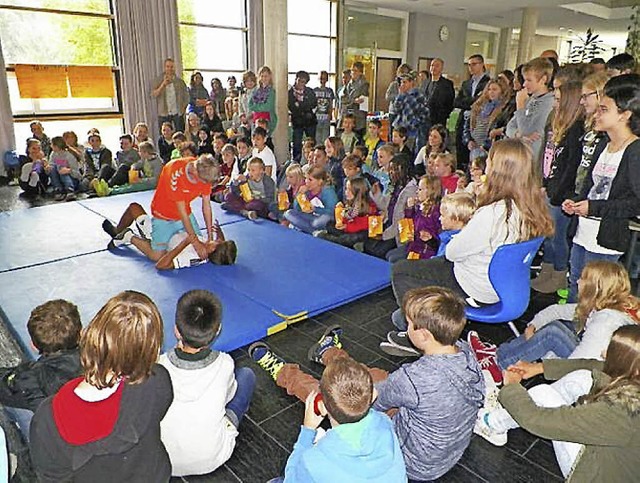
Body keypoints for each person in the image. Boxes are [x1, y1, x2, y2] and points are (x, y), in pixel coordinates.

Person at [385, 139, 554, 355]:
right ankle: (416, 315)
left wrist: (460, 234)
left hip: (473, 286)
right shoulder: (532, 208)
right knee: (430, 266)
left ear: (499, 170)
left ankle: (419, 332)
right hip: (504, 286)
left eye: (490, 162)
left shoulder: (493, 212)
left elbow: (453, 253)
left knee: (401, 270)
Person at [30, 291, 173, 482]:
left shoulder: (49, 417)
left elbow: (51, 476)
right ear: (151, 346)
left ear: (89, 335)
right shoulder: (157, 380)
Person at [478, 324, 640, 481]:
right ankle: (508, 411)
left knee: (543, 394)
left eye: (610, 351)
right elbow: (592, 365)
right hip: (614, 456)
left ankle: (490, 424)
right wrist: (539, 367)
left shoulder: (620, 412)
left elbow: (535, 419)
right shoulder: (633, 377)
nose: (603, 353)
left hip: (597, 474)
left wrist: (512, 387)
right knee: (584, 376)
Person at [249, 339, 406, 483]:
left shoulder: (313, 460)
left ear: (321, 406)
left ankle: (282, 371)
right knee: (359, 378)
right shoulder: (384, 423)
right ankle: (326, 351)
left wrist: (307, 431)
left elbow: (291, 478)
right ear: (373, 396)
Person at [470, 260, 639, 383]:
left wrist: (545, 359)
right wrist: (534, 325)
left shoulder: (604, 323)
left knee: (552, 334)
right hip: (599, 365)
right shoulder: (610, 303)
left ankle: (497, 367)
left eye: (583, 279)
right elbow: (557, 310)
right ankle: (497, 355)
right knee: (553, 329)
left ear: (595, 288)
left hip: (596, 374)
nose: (578, 282)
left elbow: (579, 363)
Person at [159, 290, 255, 477]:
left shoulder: (160, 364)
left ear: (176, 331)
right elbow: (229, 395)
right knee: (247, 375)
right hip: (213, 458)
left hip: (163, 459)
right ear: (218, 330)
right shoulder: (225, 363)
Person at [562, 74, 640, 302]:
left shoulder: (634, 151)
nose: (596, 113)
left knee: (593, 297)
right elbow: (591, 186)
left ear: (625, 115)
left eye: (604, 109)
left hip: (605, 239)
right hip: (582, 232)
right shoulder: (603, 145)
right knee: (576, 286)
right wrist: (576, 201)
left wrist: (593, 207)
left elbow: (635, 203)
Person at [102, 154, 218, 264]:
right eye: (202, 182)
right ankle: (129, 236)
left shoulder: (206, 171)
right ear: (194, 171)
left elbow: (206, 206)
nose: (204, 185)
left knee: (201, 245)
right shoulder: (175, 173)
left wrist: (210, 237)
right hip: (164, 215)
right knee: (157, 256)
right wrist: (195, 242)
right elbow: (181, 213)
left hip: (186, 214)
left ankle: (143, 228)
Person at [0, 300, 82, 442]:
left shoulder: (33, 377)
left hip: (61, 443)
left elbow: (5, 389)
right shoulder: (100, 357)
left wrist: (11, 376)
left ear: (33, 345)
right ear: (81, 333)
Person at [533, 81, 585, 294]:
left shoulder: (575, 129)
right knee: (547, 235)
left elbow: (571, 166)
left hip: (560, 194)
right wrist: (543, 183)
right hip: (548, 187)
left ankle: (559, 274)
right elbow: (546, 157)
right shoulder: (554, 123)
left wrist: (555, 192)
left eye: (557, 99)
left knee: (558, 236)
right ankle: (546, 271)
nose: (554, 103)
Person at [104, 203, 236, 270]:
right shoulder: (209, 247)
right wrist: (220, 234)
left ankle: (128, 236)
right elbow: (222, 252)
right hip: (171, 227)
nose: (217, 239)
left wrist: (184, 243)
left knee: (134, 208)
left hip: (158, 239)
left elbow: (161, 265)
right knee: (135, 208)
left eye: (218, 242)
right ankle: (117, 231)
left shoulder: (193, 256)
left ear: (213, 250)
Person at [505, 57, 555, 171]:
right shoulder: (529, 100)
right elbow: (510, 127)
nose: (524, 85)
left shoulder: (549, 103)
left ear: (543, 79)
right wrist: (519, 135)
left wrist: (520, 106)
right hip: (521, 157)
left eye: (529, 80)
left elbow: (527, 130)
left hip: (535, 162)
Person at [366, 156, 418, 260]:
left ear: (404, 170)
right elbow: (386, 206)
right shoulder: (396, 186)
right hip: (389, 224)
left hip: (398, 234)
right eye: (390, 170)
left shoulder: (411, 191)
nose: (391, 173)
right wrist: (376, 194)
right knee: (367, 244)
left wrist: (383, 235)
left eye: (394, 170)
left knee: (378, 252)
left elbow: (400, 221)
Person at [390, 174, 442, 263]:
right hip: (413, 246)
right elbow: (409, 228)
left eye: (420, 189)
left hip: (425, 251)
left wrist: (430, 238)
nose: (417, 192)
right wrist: (409, 210)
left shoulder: (435, 212)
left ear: (431, 191)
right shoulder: (420, 208)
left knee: (394, 259)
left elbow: (436, 237)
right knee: (390, 255)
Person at [317, 177, 377, 249]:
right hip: (350, 227)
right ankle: (345, 242)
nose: (346, 192)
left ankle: (334, 239)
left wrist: (346, 226)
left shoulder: (367, 207)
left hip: (362, 232)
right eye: (346, 189)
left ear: (357, 191)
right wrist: (340, 211)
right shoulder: (352, 202)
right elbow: (347, 217)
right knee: (330, 224)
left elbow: (362, 226)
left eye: (349, 190)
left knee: (348, 238)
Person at [454, 54, 490, 170]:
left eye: (474, 64)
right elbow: (457, 102)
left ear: (482, 64)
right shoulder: (466, 83)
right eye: (469, 65)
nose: (471, 67)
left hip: (478, 123)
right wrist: (473, 102)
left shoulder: (488, 83)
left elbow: (483, 101)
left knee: (476, 158)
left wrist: (471, 102)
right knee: (461, 151)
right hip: (464, 120)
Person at [463, 77, 512, 157]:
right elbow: (467, 126)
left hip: (490, 150)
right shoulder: (479, 105)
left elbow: (500, 129)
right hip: (474, 148)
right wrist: (468, 140)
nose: (491, 92)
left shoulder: (504, 109)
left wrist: (485, 145)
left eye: (494, 89)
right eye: (489, 89)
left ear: (502, 91)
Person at [283, 166, 338, 234]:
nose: (306, 182)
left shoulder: (328, 191)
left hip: (325, 217)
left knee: (316, 223)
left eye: (310, 179)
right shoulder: (307, 190)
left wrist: (315, 209)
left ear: (319, 181)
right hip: (311, 217)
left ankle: (302, 227)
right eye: (306, 178)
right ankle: (314, 232)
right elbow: (297, 209)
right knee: (288, 213)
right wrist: (299, 194)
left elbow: (332, 211)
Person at [392, 71, 429, 151]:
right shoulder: (401, 95)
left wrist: (415, 123)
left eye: (405, 82)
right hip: (401, 128)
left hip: (412, 130)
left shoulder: (419, 94)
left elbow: (425, 112)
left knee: (410, 151)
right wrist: (400, 96)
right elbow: (396, 110)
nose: (402, 85)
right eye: (401, 83)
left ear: (411, 82)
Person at [152, 57, 188, 133]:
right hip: (163, 113)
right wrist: (163, 85)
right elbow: (153, 95)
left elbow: (186, 96)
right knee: (164, 135)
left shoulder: (180, 82)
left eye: (172, 67)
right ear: (164, 67)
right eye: (168, 66)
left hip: (177, 113)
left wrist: (183, 108)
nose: (170, 69)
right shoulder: (158, 80)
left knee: (180, 134)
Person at [288, 70, 317, 163]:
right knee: (296, 143)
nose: (301, 83)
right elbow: (291, 107)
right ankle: (296, 162)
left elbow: (313, 104)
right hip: (297, 122)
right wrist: (303, 108)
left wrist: (300, 106)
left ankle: (312, 160)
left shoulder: (310, 91)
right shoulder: (290, 93)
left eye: (304, 82)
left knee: (311, 142)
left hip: (310, 121)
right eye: (300, 80)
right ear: (296, 79)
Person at [436, 192, 476, 257]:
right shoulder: (447, 236)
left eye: (443, 215)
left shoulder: (457, 243)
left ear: (455, 218)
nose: (439, 218)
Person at [423, 58, 455, 127]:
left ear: (441, 68)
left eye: (437, 66)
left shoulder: (447, 84)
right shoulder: (425, 82)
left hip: (439, 119)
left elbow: (450, 102)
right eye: (432, 65)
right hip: (425, 119)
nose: (433, 68)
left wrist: (444, 115)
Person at [48, 136, 81, 201]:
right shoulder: (53, 154)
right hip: (60, 181)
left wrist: (69, 171)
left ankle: (70, 190)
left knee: (61, 167)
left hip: (72, 180)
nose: (50, 146)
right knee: (54, 167)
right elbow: (52, 165)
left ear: (56, 146)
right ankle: (58, 189)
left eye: (52, 144)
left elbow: (78, 175)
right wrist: (48, 168)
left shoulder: (69, 155)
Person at [344, 62, 370, 137]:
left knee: (358, 136)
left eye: (355, 71)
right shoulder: (349, 84)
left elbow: (361, 98)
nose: (353, 73)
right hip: (349, 112)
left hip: (359, 115)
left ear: (360, 72)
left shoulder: (364, 84)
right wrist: (353, 100)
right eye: (352, 70)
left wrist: (352, 100)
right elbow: (345, 98)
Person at [249, 66, 277, 130]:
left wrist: (256, 107)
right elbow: (250, 105)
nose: (264, 78)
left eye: (266, 76)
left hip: (266, 119)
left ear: (270, 77)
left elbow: (268, 107)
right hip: (255, 118)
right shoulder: (255, 90)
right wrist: (259, 107)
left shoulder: (271, 91)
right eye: (262, 76)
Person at [385, 63, 411, 127]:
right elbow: (387, 96)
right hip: (393, 112)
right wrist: (399, 95)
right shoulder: (394, 84)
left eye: (405, 73)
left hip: (405, 112)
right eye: (401, 73)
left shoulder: (410, 85)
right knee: (392, 132)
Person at [313, 70, 335, 144]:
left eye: (324, 78)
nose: (322, 80)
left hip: (326, 117)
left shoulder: (330, 91)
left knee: (325, 137)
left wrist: (331, 114)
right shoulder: (314, 90)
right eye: (321, 78)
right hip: (316, 117)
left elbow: (331, 103)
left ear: (327, 79)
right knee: (317, 137)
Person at [324, 136, 346, 201]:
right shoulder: (329, 162)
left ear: (336, 147)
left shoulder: (343, 163)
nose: (326, 150)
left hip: (338, 196)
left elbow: (343, 184)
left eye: (329, 147)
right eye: (326, 147)